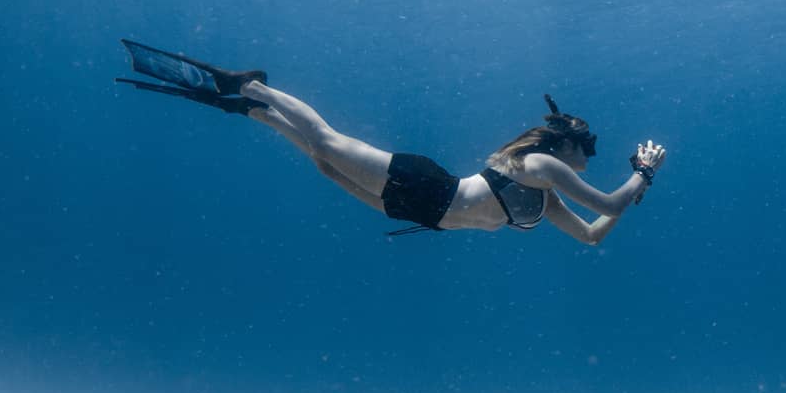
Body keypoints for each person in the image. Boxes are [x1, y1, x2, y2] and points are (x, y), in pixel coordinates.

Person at [115, 40, 666, 244]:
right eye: (587, 148)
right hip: (433, 187)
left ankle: (251, 111)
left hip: (423, 215)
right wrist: (643, 172)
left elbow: (595, 233)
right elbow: (612, 201)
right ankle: (254, 85)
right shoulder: (542, 164)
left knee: (325, 168)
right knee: (329, 144)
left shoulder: (547, 201)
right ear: (564, 142)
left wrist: (636, 191)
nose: (588, 158)